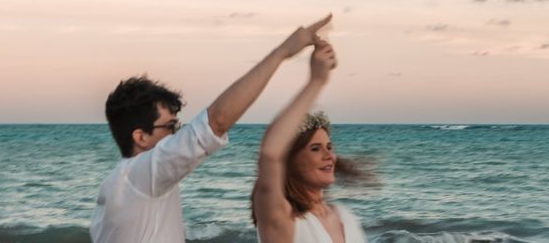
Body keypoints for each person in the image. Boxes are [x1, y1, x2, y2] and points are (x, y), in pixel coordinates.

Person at [90, 14, 333, 243]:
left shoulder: (114, 189)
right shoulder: (143, 176)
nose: (177, 134)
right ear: (140, 137)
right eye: (170, 126)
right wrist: (282, 52)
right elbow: (216, 121)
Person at [252, 40, 368, 243]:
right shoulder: (281, 218)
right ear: (290, 161)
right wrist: (317, 81)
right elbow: (270, 153)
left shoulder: (344, 216)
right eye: (315, 149)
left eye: (329, 147)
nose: (329, 156)